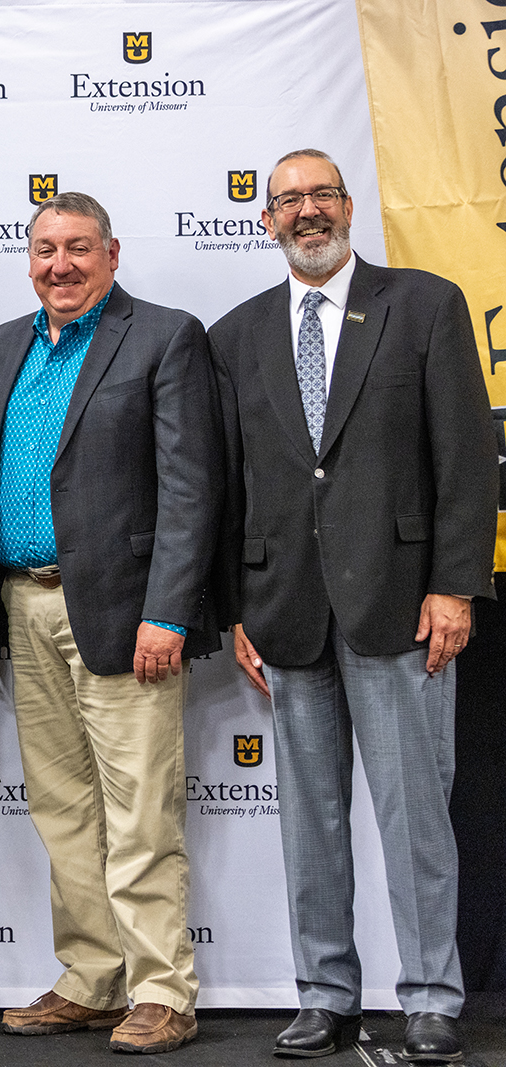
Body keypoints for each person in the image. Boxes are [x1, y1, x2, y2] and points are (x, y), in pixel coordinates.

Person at [210, 149, 497, 1064]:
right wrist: (237, 609)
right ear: (267, 221)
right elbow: (229, 484)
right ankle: (325, 994)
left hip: (402, 606)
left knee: (417, 816)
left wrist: (455, 584)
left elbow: (465, 458)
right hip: (286, 609)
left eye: (320, 194)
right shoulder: (236, 333)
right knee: (310, 819)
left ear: (347, 205)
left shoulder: (424, 304)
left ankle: (430, 996)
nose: (306, 212)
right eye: (287, 200)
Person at [0, 191, 221, 1055]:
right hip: (21, 602)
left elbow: (191, 486)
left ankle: (162, 990)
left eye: (77, 248)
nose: (59, 265)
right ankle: (92, 977)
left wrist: (167, 608)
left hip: (122, 608)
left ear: (112, 254)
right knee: (63, 807)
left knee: (140, 808)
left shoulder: (163, 334)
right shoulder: (6, 343)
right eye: (44, 250)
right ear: (28, 259)